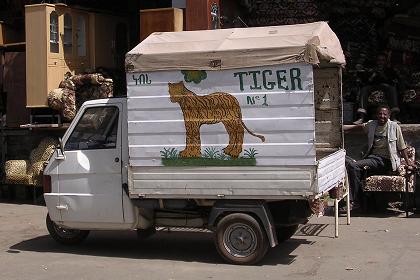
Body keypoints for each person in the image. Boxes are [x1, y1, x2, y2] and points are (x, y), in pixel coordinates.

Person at [343, 104, 415, 211]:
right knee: (350, 164)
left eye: (385, 114)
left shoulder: (395, 127)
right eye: (380, 114)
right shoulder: (372, 124)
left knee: (353, 166)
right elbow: (359, 127)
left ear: (389, 115)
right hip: (373, 158)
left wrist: (408, 162)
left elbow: (402, 147)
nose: (382, 116)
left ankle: (355, 201)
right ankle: (361, 200)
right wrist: (342, 128)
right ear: (377, 115)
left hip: (386, 161)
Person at [353, 53, 400, 124]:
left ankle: (393, 117)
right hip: (373, 87)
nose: (381, 62)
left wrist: (383, 75)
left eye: (383, 60)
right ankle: (361, 117)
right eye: (379, 60)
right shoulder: (371, 69)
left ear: (386, 61)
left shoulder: (390, 70)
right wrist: (373, 74)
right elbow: (366, 82)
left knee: (392, 89)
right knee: (364, 89)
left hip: (385, 87)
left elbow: (393, 82)